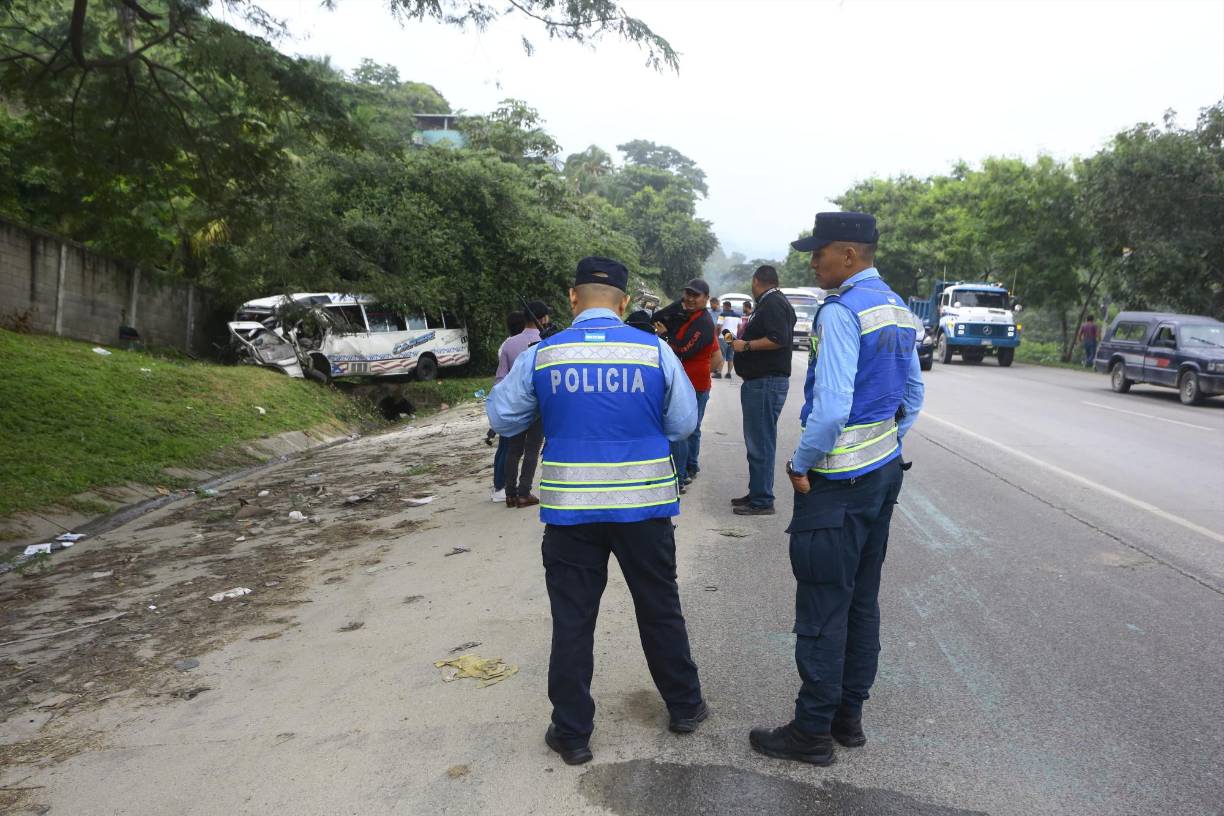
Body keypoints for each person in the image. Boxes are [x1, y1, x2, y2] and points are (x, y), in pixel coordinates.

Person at [486, 256, 708, 766]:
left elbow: (502, 415)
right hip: (644, 507)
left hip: (571, 515)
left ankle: (572, 733)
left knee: (573, 619)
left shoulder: (543, 355)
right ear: (625, 302)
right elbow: (683, 422)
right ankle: (685, 706)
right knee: (658, 607)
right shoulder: (654, 351)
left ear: (572, 298)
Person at [749, 212, 924, 767]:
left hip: (837, 481)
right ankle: (849, 718)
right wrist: (884, 447)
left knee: (824, 603)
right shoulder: (897, 308)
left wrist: (802, 463)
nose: (813, 261)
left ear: (848, 255)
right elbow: (913, 396)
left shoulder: (842, 311)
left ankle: (811, 733)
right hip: (883, 474)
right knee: (861, 599)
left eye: (819, 252)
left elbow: (829, 409)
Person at [728, 266, 795, 516]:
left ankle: (763, 499)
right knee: (758, 440)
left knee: (761, 443)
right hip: (761, 382)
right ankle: (757, 491)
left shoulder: (773, 303)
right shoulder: (773, 302)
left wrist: (745, 346)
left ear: (756, 281)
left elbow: (779, 338)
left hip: (766, 382)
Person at [652, 279, 718, 490]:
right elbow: (658, 317)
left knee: (681, 429)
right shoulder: (688, 316)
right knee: (691, 429)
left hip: (693, 384)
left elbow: (683, 350)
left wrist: (665, 335)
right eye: (687, 294)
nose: (690, 298)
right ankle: (690, 467)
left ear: (706, 298)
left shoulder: (703, 322)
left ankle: (679, 477)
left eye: (695, 295)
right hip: (687, 381)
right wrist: (680, 305)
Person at [497, 301, 550, 508]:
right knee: (532, 450)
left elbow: (500, 378)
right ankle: (524, 492)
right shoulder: (546, 342)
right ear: (543, 318)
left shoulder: (509, 344)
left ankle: (510, 494)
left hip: (514, 406)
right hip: (536, 406)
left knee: (513, 450)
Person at [490, 310, 526, 502]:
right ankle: (500, 486)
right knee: (508, 447)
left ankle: (500, 485)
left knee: (506, 446)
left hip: (506, 400)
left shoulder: (507, 344)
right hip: (512, 401)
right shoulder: (512, 345)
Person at [716, 301, 742, 380]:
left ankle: (719, 373)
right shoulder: (738, 315)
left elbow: (719, 326)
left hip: (724, 336)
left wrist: (718, 335)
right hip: (733, 336)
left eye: (723, 306)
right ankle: (728, 373)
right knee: (731, 356)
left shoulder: (722, 314)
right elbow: (740, 327)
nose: (722, 308)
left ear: (726, 306)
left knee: (722, 355)